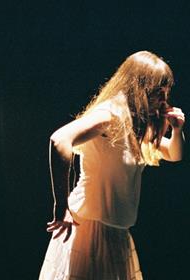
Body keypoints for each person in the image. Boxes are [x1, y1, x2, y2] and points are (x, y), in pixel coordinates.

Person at [39, 51, 185, 280]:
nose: (163, 98)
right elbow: (59, 140)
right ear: (141, 86)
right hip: (92, 231)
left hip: (116, 232)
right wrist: (61, 205)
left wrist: (176, 130)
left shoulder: (134, 122)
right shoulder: (110, 115)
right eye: (159, 91)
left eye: (165, 91)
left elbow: (175, 155)